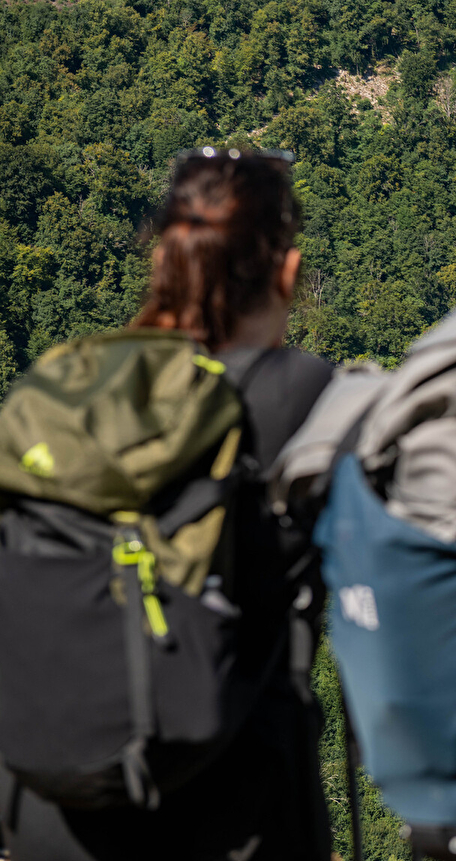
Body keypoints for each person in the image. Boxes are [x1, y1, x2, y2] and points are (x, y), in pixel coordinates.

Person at [0, 148, 334, 861]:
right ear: (288, 272)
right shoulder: (301, 395)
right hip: (225, 811)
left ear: (164, 263)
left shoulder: (69, 390)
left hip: (49, 810)